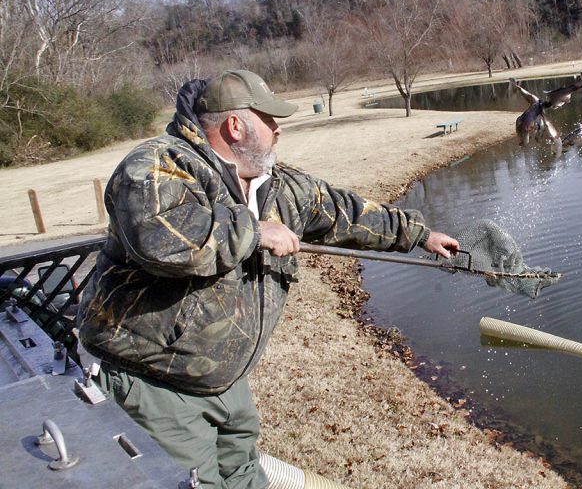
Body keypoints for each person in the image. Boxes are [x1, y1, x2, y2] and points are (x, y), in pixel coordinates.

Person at [77, 70, 459, 488]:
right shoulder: (159, 164)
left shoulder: (276, 186)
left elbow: (344, 211)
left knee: (244, 475)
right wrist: (256, 231)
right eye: (269, 119)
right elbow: (162, 238)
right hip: (158, 387)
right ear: (235, 125)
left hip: (226, 382)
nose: (278, 129)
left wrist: (420, 235)